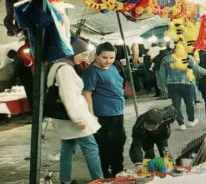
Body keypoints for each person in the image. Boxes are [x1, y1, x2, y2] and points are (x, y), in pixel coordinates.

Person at [47, 37, 103, 184]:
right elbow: (68, 96)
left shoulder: (57, 65)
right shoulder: (65, 69)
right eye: (83, 54)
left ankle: (64, 180)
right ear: (73, 52)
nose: (85, 58)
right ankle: (99, 180)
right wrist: (78, 118)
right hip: (71, 117)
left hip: (63, 117)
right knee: (91, 148)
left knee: (68, 146)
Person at [82, 42, 126, 178]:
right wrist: (91, 115)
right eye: (104, 57)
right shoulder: (91, 71)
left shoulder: (114, 68)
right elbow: (87, 93)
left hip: (118, 111)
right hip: (103, 114)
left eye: (111, 58)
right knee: (104, 144)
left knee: (119, 140)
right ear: (96, 56)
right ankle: (104, 171)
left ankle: (118, 169)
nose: (108, 61)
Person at [159, 45, 206, 131]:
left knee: (176, 105)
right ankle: (191, 121)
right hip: (186, 83)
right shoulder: (188, 57)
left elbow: (161, 75)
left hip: (172, 85)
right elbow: (197, 69)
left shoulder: (166, 59)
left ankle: (181, 124)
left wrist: (163, 87)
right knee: (189, 103)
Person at [129, 106, 176, 173]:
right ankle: (149, 173)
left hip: (161, 135)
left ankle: (171, 169)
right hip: (146, 137)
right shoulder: (139, 126)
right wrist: (138, 162)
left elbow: (174, 112)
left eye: (152, 127)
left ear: (160, 123)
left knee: (164, 151)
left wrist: (168, 127)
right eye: (147, 126)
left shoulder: (167, 115)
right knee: (149, 153)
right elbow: (135, 145)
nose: (149, 129)